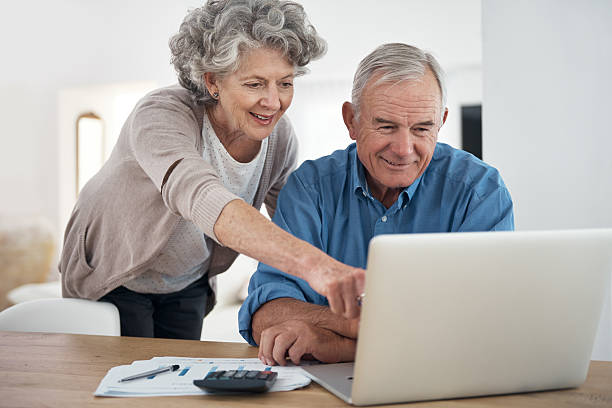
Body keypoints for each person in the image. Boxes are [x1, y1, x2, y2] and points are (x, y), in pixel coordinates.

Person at [59, 0, 365, 340]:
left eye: (285, 83)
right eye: (254, 84)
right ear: (212, 82)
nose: (273, 101)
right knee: (126, 384)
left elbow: (292, 222)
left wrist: (346, 275)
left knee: (177, 380)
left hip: (187, 279)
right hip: (115, 272)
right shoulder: (161, 114)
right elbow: (200, 195)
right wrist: (315, 266)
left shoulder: (279, 137)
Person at [238, 43, 514, 366]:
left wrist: (339, 346)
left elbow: (481, 327)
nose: (403, 149)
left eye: (422, 128)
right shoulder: (309, 189)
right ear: (351, 120)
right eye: (386, 126)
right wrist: (362, 326)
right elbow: (266, 313)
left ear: (441, 123)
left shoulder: (480, 193)